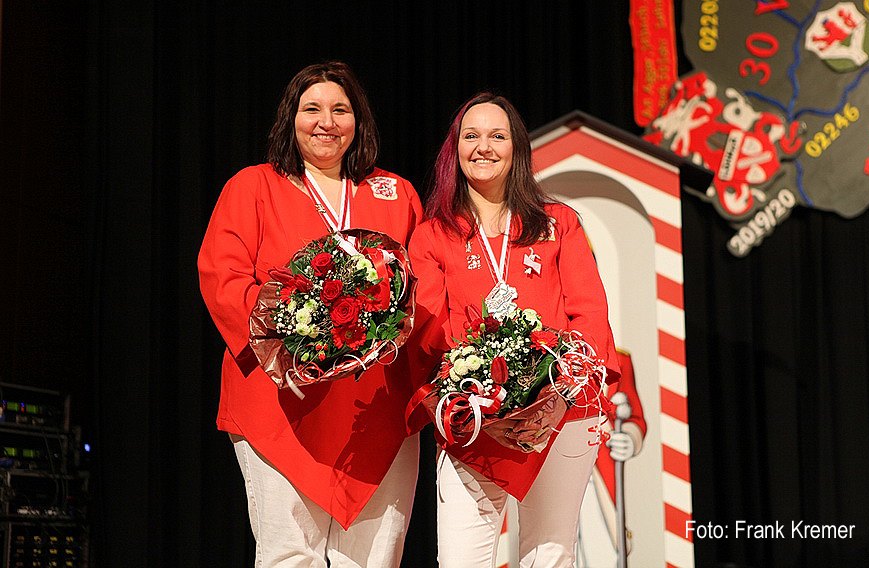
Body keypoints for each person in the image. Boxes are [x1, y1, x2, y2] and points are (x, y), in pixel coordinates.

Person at [198, 60, 423, 567]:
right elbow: (222, 275)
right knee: (288, 556)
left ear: (358, 121)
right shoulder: (253, 186)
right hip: (280, 401)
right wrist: (293, 340)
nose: (326, 122)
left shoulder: (396, 193)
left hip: (375, 408)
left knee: (374, 559)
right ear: (290, 118)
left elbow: (422, 287)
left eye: (341, 110)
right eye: (312, 109)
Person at [408, 92, 621, 567]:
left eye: (497, 136)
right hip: (473, 420)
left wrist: (555, 398)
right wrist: (485, 405)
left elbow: (589, 313)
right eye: (471, 136)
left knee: (550, 554)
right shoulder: (432, 235)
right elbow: (429, 333)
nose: (483, 147)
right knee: (461, 560)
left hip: (561, 414)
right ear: (454, 149)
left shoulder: (558, 223)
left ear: (517, 148)